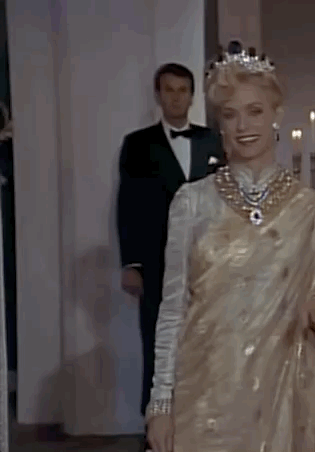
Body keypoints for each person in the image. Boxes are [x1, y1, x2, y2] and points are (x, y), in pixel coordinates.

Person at [145, 41, 315, 452]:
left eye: (255, 111)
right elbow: (172, 308)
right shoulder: (191, 202)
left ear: (277, 114)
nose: (243, 125)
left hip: (283, 400)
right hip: (203, 397)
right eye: (230, 114)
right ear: (219, 124)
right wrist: (161, 402)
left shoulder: (311, 210)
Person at [116, 62, 225, 448]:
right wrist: (131, 263)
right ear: (158, 95)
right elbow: (127, 205)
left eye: (183, 90)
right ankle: (155, 430)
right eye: (169, 90)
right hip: (156, 261)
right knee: (157, 342)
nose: (176, 97)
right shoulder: (138, 144)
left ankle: (205, 425)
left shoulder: (214, 141)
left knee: (208, 340)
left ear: (192, 96)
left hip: (209, 261)